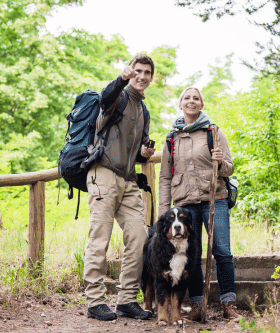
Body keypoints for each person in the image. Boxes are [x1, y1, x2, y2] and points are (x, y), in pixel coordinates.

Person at [158, 87, 242, 322]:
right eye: (187, 98)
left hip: (214, 199)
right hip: (184, 205)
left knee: (222, 251)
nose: (191, 101)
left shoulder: (213, 132)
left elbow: (229, 167)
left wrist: (220, 162)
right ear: (180, 104)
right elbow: (165, 177)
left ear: (201, 104)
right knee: (191, 255)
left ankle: (229, 304)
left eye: (196, 98)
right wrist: (164, 211)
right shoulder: (172, 138)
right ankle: (196, 305)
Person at [84, 54, 156, 321]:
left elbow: (134, 154)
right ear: (130, 72)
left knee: (139, 237)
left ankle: (126, 299)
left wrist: (144, 154)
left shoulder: (143, 110)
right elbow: (104, 98)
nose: (142, 76)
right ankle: (94, 302)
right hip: (103, 174)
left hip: (128, 180)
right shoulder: (120, 96)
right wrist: (120, 79)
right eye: (137, 71)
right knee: (99, 238)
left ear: (151, 77)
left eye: (147, 72)